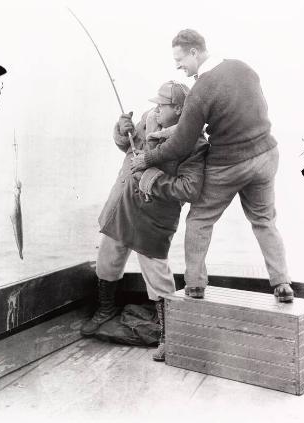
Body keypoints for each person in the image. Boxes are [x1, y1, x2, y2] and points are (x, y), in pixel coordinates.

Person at [131, 29, 294, 303]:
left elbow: (183, 143)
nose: (178, 66)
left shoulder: (201, 89)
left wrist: (147, 159)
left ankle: (194, 286)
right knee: (264, 221)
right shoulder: (243, 68)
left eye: (180, 59)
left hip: (229, 164)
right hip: (266, 155)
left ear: (195, 52)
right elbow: (244, 112)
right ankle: (282, 284)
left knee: (200, 220)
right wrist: (167, 133)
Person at [80, 80, 209, 361]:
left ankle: (168, 334)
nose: (155, 110)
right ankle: (105, 311)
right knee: (108, 259)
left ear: (178, 109)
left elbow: (190, 189)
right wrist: (121, 131)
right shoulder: (149, 120)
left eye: (161, 105)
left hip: (154, 217)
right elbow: (128, 147)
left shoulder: (195, 143)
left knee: (157, 277)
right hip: (123, 204)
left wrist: (154, 179)